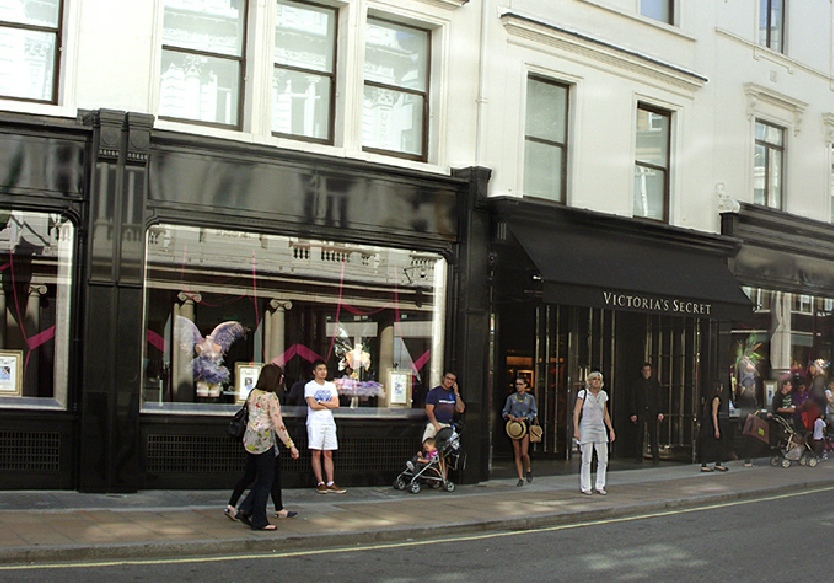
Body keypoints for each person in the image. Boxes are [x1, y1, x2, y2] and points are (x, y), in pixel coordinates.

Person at [234, 364, 299, 530]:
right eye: (280, 376)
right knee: (265, 482)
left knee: (259, 479)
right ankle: (259, 520)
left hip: (250, 441)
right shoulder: (271, 397)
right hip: (265, 442)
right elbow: (278, 424)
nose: (281, 379)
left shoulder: (253, 393)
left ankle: (246, 509)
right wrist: (290, 445)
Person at [305, 359, 346, 494]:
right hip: (315, 422)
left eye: (324, 369)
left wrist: (322, 402)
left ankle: (331, 481)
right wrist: (325, 404)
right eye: (320, 369)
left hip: (329, 421)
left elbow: (336, 404)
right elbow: (313, 405)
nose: (323, 372)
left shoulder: (330, 386)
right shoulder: (310, 386)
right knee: (316, 452)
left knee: (328, 452)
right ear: (314, 372)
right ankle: (320, 481)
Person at [573, 371, 615, 495]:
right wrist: (576, 429)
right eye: (594, 379)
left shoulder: (603, 395)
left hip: (600, 428)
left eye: (598, 379)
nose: (596, 381)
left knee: (603, 458)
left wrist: (611, 429)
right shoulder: (583, 394)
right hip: (586, 427)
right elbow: (576, 412)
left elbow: (605, 413)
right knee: (587, 458)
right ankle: (586, 486)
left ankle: (600, 484)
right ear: (589, 381)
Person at [502, 377, 538, 486]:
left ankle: (528, 469)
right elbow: (505, 411)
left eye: (520, 384)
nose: (518, 386)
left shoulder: (530, 398)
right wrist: (509, 416)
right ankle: (520, 477)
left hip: (525, 425)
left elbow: (534, 412)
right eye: (517, 384)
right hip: (514, 426)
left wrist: (527, 418)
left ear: (525, 386)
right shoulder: (511, 398)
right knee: (517, 452)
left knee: (524, 452)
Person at [629, 362, 664, 465]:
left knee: (653, 435)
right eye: (644, 370)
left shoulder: (655, 383)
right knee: (639, 435)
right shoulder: (637, 383)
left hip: (652, 411)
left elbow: (659, 398)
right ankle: (639, 457)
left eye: (648, 370)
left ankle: (655, 458)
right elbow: (633, 399)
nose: (646, 372)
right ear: (641, 372)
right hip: (641, 411)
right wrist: (633, 413)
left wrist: (660, 411)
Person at [423, 371, 465, 441]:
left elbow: (461, 409)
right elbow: (429, 411)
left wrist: (457, 393)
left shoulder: (453, 394)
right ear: (443, 378)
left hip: (448, 425)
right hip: (435, 424)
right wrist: (436, 425)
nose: (449, 381)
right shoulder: (434, 392)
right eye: (448, 378)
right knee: (429, 446)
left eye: (452, 380)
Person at [699, 381, 729, 472]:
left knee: (712, 444)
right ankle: (708, 464)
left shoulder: (709, 398)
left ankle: (715, 463)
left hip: (708, 423)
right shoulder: (716, 399)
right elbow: (714, 414)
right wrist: (716, 428)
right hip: (712, 423)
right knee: (715, 443)